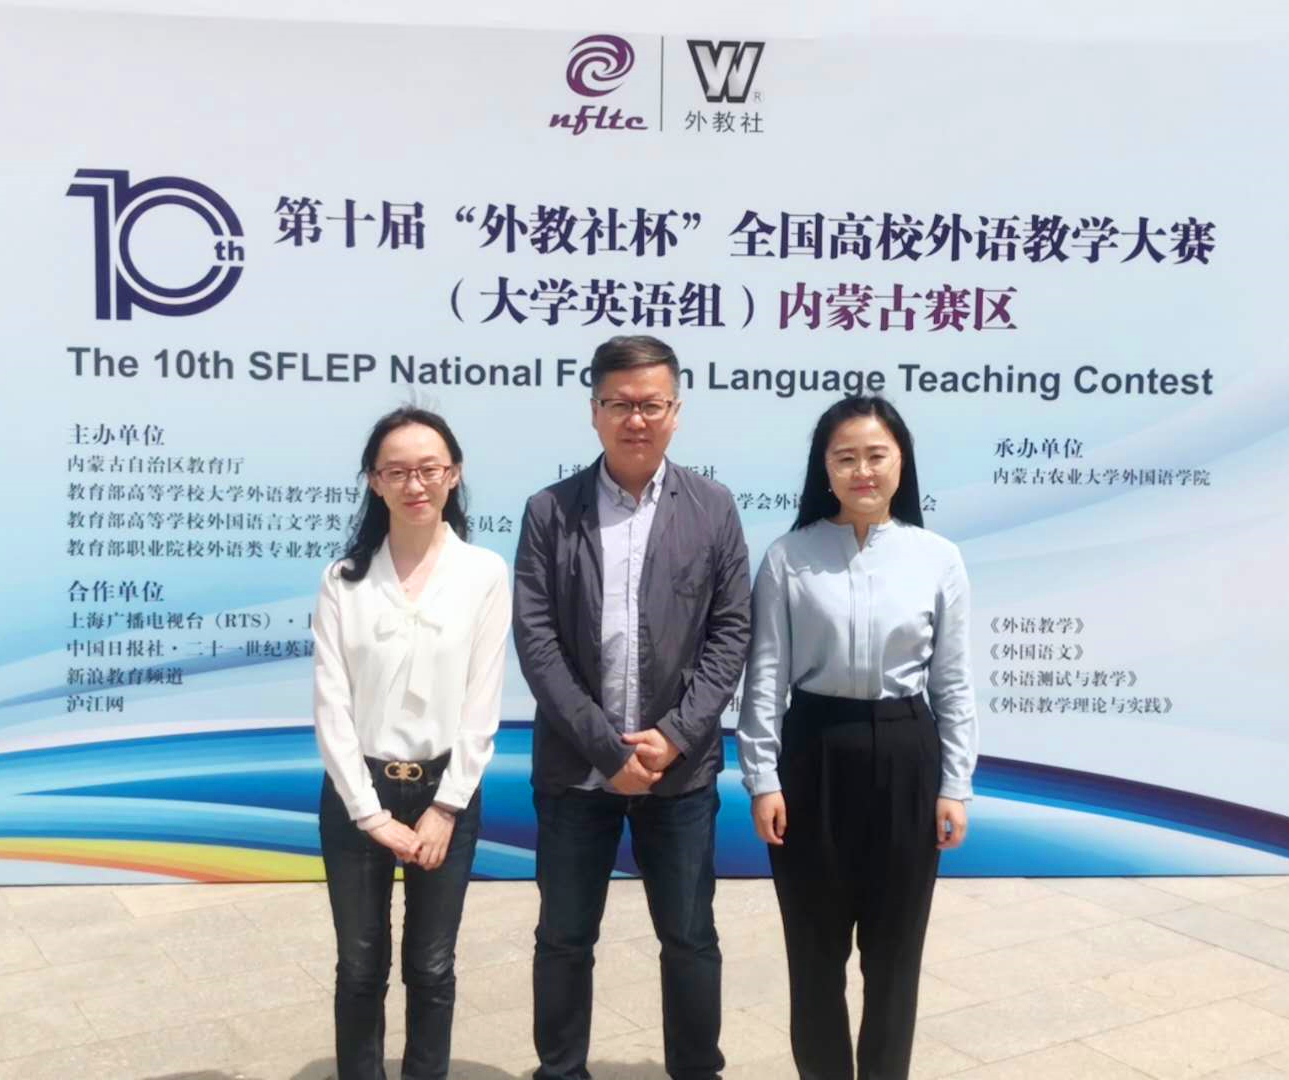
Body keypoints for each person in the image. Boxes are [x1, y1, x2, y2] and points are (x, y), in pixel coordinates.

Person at [513, 335, 751, 1080]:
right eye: (619, 404)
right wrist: (605, 749)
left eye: (651, 404)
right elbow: (536, 640)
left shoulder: (713, 508)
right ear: (594, 412)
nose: (636, 419)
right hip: (576, 773)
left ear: (676, 411)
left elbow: (731, 633)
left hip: (678, 773)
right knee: (563, 939)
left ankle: (696, 1071)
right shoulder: (550, 511)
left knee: (689, 937)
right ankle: (561, 1071)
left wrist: (673, 737)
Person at [737, 395, 978, 1080]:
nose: (862, 470)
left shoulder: (938, 558)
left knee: (895, 954)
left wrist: (955, 784)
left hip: (906, 753)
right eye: (846, 458)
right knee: (814, 951)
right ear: (825, 468)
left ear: (902, 461)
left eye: (877, 455)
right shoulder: (789, 557)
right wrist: (763, 779)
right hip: (812, 753)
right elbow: (765, 676)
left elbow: (953, 682)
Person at [312, 406, 510, 1080]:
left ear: (453, 475)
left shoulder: (484, 573)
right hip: (357, 791)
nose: (414, 484)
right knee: (360, 965)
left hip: (445, 791)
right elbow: (332, 705)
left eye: (429, 469)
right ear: (374, 481)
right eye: (396, 471)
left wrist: (446, 807)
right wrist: (370, 815)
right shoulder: (344, 580)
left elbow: (482, 702)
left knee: (431, 965)